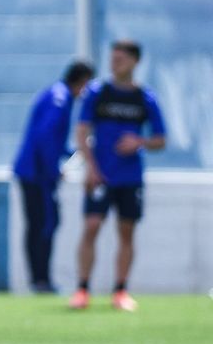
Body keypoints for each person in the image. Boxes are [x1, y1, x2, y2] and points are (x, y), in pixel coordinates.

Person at [69, 41, 166, 312]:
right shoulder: (98, 93)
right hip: (101, 176)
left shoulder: (145, 98)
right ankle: (82, 289)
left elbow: (161, 139)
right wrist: (91, 167)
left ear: (135, 62)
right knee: (91, 227)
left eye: (121, 59)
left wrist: (140, 143)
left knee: (127, 232)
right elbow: (81, 132)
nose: (115, 64)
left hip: (130, 177)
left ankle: (121, 290)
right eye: (112, 59)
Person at [12, 60, 95, 293]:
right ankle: (40, 280)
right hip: (37, 174)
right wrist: (52, 170)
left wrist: (72, 151)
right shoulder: (59, 99)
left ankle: (39, 278)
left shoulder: (54, 94)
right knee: (44, 224)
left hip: (33, 171)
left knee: (40, 224)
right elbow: (45, 138)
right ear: (83, 81)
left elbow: (53, 140)